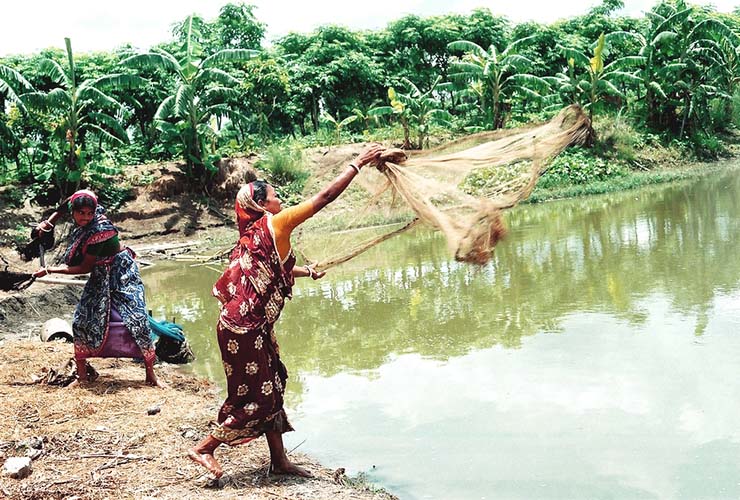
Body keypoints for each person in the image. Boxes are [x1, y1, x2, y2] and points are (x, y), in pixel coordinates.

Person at [188, 143, 385, 478]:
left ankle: (279, 461)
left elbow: (266, 270)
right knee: (258, 397)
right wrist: (358, 163)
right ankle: (204, 447)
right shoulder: (275, 225)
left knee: (272, 384)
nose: (280, 201)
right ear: (262, 204)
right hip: (244, 327)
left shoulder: (251, 235)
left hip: (245, 325)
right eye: (275, 196)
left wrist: (304, 272)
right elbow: (323, 199)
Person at [33, 189, 162, 387]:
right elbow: (69, 200)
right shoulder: (81, 206)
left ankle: (151, 376)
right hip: (101, 271)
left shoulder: (101, 231)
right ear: (73, 211)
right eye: (80, 213)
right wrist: (49, 222)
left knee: (137, 320)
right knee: (82, 321)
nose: (85, 217)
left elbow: (84, 267)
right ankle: (82, 377)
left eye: (89, 214)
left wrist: (49, 270)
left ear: (94, 212)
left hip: (121, 272)